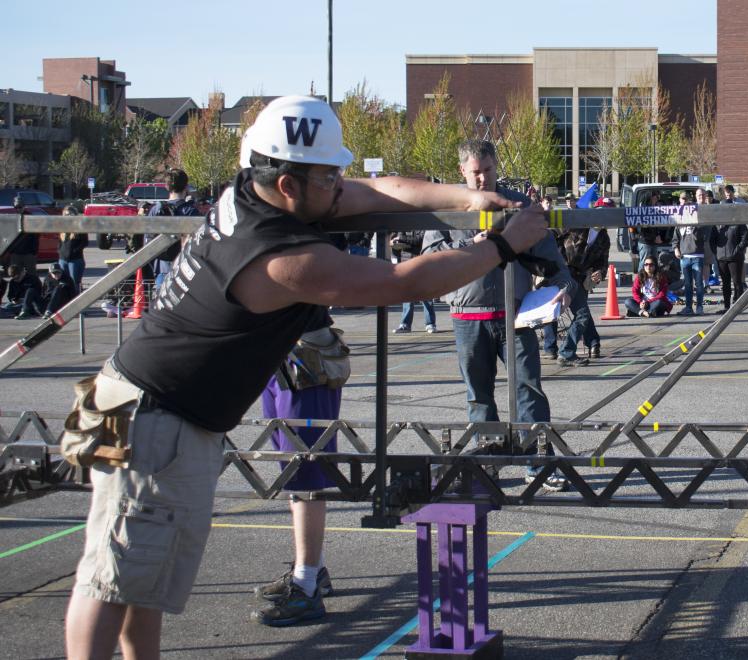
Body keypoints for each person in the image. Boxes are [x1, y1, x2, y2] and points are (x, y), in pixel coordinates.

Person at [63, 95, 548, 660]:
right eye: (328, 176)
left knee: (143, 582)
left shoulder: (253, 196)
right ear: (290, 183)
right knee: (110, 582)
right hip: (155, 424)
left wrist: (468, 197)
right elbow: (400, 282)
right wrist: (501, 244)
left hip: (161, 412)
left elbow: (380, 190)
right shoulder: (278, 257)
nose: (341, 185)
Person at [422, 139, 572, 489]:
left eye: (487, 170)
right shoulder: (445, 208)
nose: (481, 179)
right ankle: (486, 463)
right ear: (462, 170)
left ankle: (538, 463)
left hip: (515, 313)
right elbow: (431, 253)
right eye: (474, 172)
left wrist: (563, 289)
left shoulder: (519, 206)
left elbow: (552, 257)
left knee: (528, 390)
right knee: (479, 394)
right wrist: (470, 246)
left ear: (496, 166)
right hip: (467, 315)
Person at [253, 312, 346, 626]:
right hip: (273, 349)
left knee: (304, 470)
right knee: (289, 468)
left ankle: (306, 586)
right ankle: (312, 569)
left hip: (305, 352)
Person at [548, 201, 610, 364]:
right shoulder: (576, 224)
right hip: (563, 273)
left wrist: (599, 273)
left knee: (582, 314)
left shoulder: (604, 237)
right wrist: (559, 261)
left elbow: (603, 261)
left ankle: (573, 349)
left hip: (580, 277)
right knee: (562, 312)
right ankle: (561, 350)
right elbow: (552, 235)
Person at [148, 168, 200, 295]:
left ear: (166, 186)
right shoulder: (191, 212)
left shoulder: (155, 210)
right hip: (185, 272)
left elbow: (147, 243)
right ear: (186, 187)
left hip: (161, 268)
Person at [390, 229, 437, 333]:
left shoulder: (421, 224)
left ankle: (430, 323)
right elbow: (400, 242)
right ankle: (405, 324)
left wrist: (403, 240)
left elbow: (419, 240)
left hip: (421, 262)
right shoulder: (403, 226)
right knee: (407, 295)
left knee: (426, 295)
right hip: (406, 263)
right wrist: (395, 243)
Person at [673, 195, 710, 315]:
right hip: (684, 257)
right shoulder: (680, 222)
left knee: (699, 283)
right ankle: (688, 307)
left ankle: (699, 307)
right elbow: (675, 238)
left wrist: (695, 227)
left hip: (697, 256)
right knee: (688, 284)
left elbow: (706, 236)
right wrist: (676, 249)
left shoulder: (700, 223)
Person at [710, 220, 748, 311]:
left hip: (735, 258)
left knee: (737, 282)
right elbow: (712, 240)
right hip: (721, 258)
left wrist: (737, 251)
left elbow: (745, 239)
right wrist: (716, 253)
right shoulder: (716, 224)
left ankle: (738, 307)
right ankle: (726, 307)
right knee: (725, 284)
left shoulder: (739, 223)